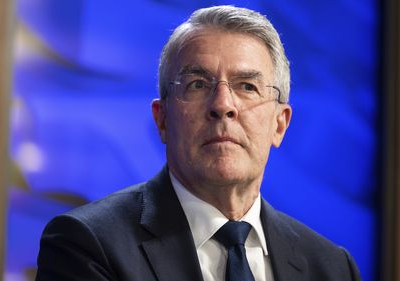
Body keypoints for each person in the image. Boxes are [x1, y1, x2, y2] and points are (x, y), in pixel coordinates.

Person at [35, 5, 361, 281]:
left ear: (280, 124)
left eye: (247, 86)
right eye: (197, 84)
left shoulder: (332, 267)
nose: (223, 105)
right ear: (162, 118)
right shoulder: (86, 245)